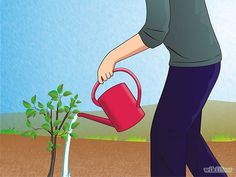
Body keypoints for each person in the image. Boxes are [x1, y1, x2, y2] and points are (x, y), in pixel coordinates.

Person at [97, 0, 227, 176]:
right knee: (187, 136)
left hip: (191, 67)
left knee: (166, 136)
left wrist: (112, 57)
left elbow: (155, 32)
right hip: (202, 63)